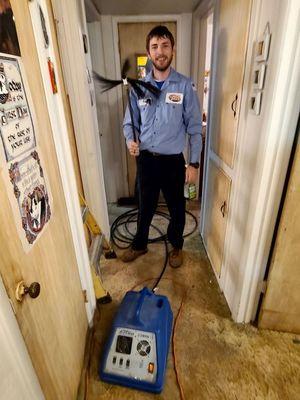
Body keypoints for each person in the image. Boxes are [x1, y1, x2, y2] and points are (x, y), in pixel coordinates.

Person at [122, 25, 202, 268]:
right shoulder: (138, 88)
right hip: (146, 159)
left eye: (165, 46)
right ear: (149, 52)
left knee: (177, 208)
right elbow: (130, 122)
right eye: (155, 47)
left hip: (172, 161)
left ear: (173, 51)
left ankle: (176, 245)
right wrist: (130, 140)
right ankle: (140, 244)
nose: (160, 52)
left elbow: (195, 128)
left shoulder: (184, 86)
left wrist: (195, 163)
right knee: (145, 206)